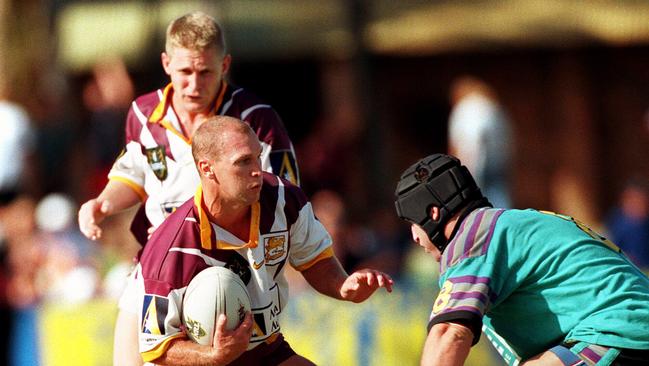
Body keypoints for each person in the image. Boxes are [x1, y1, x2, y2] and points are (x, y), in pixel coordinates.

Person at [77, 11, 300, 366]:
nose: (193, 84)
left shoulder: (256, 119)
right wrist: (102, 204)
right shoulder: (143, 113)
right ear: (166, 63)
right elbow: (132, 174)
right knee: (129, 358)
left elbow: (283, 197)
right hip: (158, 265)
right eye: (184, 72)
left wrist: (195, 229)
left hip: (231, 271)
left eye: (205, 72)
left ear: (224, 64)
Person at [137, 116, 393, 365]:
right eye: (243, 162)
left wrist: (343, 286)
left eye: (258, 157)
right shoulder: (170, 246)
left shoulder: (284, 201)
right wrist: (214, 357)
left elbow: (314, 259)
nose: (257, 171)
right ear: (207, 168)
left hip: (264, 352)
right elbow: (157, 347)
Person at [394, 153, 649, 366]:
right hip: (631, 331)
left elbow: (449, 333)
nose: (414, 237)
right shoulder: (506, 225)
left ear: (433, 213)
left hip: (617, 334)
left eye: (412, 224)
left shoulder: (471, 238)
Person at [448, 76, 512, 208]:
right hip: (498, 159)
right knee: (499, 195)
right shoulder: (492, 106)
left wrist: (466, 166)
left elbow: (472, 139)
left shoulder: (467, 107)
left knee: (478, 199)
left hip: (478, 158)